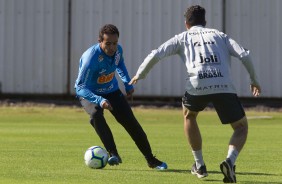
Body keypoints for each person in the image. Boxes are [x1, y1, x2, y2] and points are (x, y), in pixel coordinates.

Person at [129, 5, 261, 183]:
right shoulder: (219, 35)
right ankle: (230, 161)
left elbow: (156, 54)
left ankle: (199, 165)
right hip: (223, 84)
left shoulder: (182, 38)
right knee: (241, 127)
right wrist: (253, 79)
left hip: (197, 83)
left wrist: (140, 74)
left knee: (189, 116)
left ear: (186, 24)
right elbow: (244, 55)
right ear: (205, 22)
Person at [74, 24, 167, 170]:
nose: (112, 47)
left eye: (115, 43)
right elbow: (79, 87)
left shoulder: (118, 51)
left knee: (131, 123)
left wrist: (127, 84)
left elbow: (120, 64)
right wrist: (99, 100)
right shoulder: (90, 59)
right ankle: (113, 154)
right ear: (100, 42)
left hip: (111, 90)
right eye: (108, 44)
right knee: (96, 116)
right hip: (90, 94)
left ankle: (151, 159)